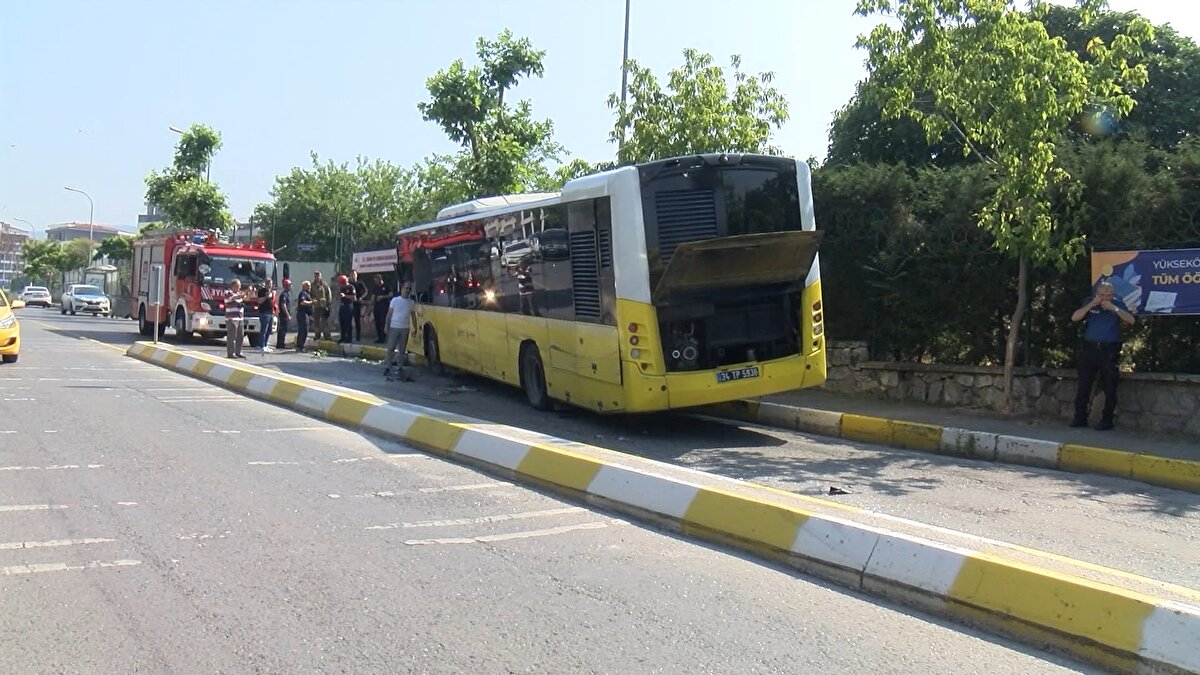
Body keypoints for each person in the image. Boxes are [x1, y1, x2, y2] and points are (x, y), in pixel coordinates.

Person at [1070, 279, 1136, 430]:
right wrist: (1091, 305)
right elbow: (1075, 317)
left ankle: (1107, 420)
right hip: (1090, 349)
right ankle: (1079, 418)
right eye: (1101, 294)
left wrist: (1114, 308)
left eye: (1107, 295)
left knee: (1109, 386)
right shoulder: (1090, 302)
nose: (1104, 297)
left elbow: (1131, 320)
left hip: (1108, 350)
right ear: (1096, 293)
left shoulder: (1117, 303)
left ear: (1112, 295)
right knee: (1084, 385)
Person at [383, 282, 417, 382]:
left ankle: (399, 367)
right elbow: (389, 314)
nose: (407, 290)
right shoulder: (395, 300)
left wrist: (414, 328)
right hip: (394, 326)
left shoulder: (411, 303)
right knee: (391, 348)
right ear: (402, 289)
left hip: (405, 328)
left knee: (402, 349)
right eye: (406, 288)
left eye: (409, 289)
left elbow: (413, 316)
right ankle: (388, 367)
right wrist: (386, 325)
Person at [224, 279, 246, 359]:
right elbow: (234, 298)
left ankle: (238, 352)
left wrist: (250, 292)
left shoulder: (238, 294)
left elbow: (246, 299)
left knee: (240, 336)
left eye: (240, 286)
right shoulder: (228, 293)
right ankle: (231, 353)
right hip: (232, 318)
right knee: (232, 336)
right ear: (233, 286)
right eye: (238, 286)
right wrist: (245, 293)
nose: (239, 288)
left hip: (240, 318)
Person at [311, 271, 332, 341]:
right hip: (316, 305)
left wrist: (328, 304)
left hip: (324, 305)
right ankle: (317, 335)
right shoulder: (312, 285)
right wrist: (312, 300)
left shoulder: (325, 285)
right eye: (316, 276)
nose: (317, 277)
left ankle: (327, 335)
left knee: (324, 321)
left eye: (318, 276)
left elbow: (329, 294)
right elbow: (310, 294)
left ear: (321, 276)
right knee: (316, 321)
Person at [370, 273, 391, 343]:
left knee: (383, 322)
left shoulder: (386, 286)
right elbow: (373, 296)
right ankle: (379, 338)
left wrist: (382, 297)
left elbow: (391, 295)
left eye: (376, 280)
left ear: (380, 279)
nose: (375, 282)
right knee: (377, 322)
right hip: (377, 306)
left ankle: (384, 337)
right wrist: (371, 304)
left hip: (384, 306)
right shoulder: (375, 287)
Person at [256, 279, 276, 354]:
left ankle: (265, 344)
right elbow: (259, 301)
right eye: (268, 283)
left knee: (269, 330)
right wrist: (265, 297)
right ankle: (261, 346)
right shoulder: (262, 291)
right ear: (265, 283)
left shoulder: (271, 291)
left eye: (270, 283)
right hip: (264, 312)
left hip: (270, 312)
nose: (269, 285)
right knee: (264, 329)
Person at [337, 274, 356, 344]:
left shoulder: (351, 287)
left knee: (348, 322)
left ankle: (349, 338)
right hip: (342, 305)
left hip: (348, 306)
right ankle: (343, 337)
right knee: (342, 322)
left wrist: (345, 296)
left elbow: (354, 298)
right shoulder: (342, 288)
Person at [295, 280, 313, 351]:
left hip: (306, 313)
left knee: (305, 329)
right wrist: (312, 302)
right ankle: (300, 346)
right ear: (304, 286)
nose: (309, 287)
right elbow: (302, 302)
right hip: (302, 313)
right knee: (303, 329)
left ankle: (301, 345)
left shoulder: (308, 293)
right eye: (308, 286)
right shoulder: (303, 293)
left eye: (310, 286)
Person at [350, 270, 368, 342]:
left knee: (357, 320)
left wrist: (361, 297)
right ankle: (349, 335)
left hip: (357, 303)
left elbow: (366, 291)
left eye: (354, 275)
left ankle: (358, 336)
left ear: (357, 275)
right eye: (352, 275)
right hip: (349, 303)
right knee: (348, 321)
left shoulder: (360, 283)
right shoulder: (349, 284)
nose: (353, 276)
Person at [275, 278, 292, 350]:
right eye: (289, 285)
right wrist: (287, 315)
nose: (291, 286)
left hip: (284, 314)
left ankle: (281, 343)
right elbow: (283, 305)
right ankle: (280, 344)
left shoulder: (287, 294)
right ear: (286, 285)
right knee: (283, 329)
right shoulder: (284, 294)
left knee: (284, 329)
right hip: (283, 315)